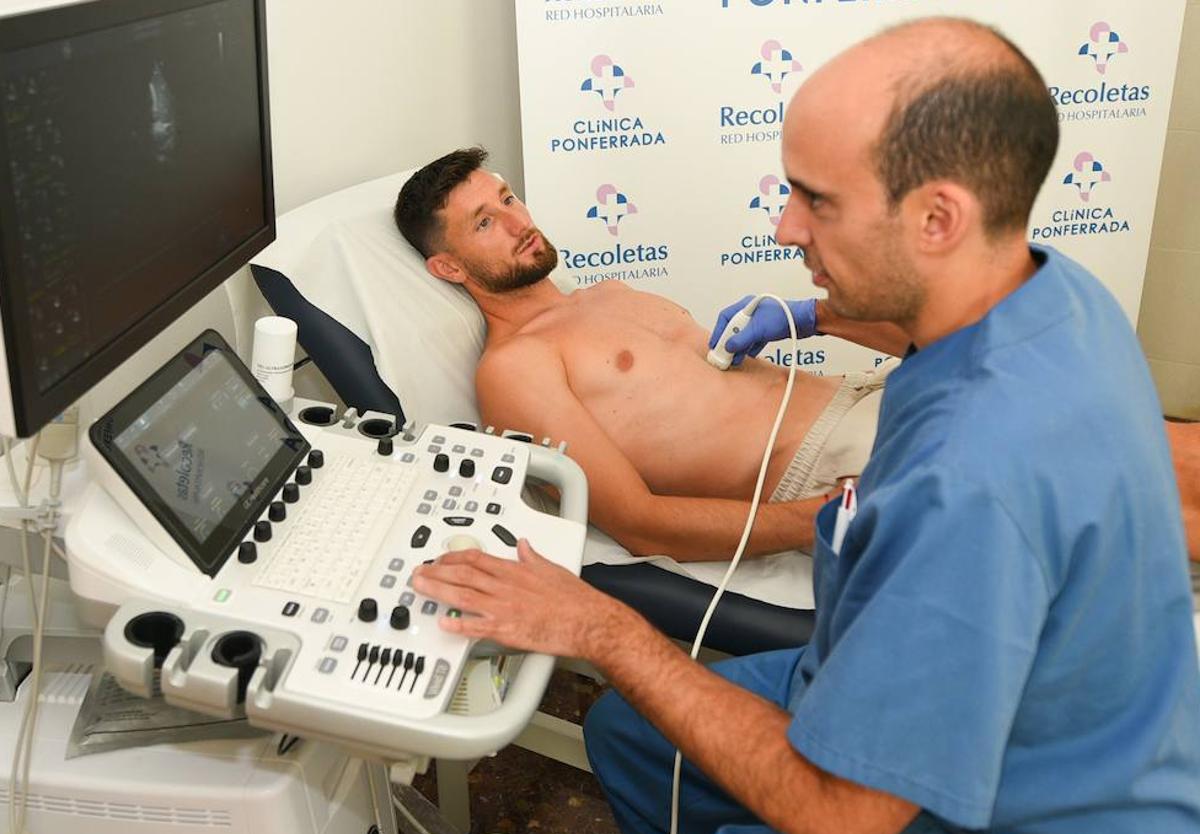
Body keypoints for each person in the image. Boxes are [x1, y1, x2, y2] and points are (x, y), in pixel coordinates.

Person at [411, 16, 1200, 834]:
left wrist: (602, 627)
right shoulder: (1060, 298)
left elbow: (843, 816)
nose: (785, 227)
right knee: (629, 732)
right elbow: (637, 515)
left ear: (939, 219)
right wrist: (812, 322)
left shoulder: (962, 490)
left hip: (1009, 799)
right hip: (1043, 688)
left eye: (817, 198)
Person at [394, 149, 1200, 565]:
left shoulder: (604, 293)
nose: (516, 220)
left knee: (1129, 429)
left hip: (874, 394)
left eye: (506, 198)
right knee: (1124, 474)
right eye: (483, 224)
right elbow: (636, 521)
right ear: (449, 268)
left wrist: (810, 316)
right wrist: (819, 521)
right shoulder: (514, 370)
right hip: (840, 461)